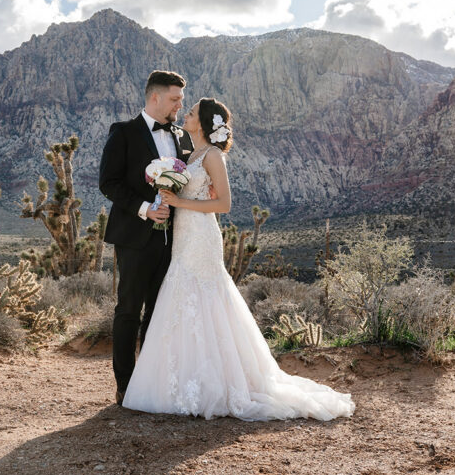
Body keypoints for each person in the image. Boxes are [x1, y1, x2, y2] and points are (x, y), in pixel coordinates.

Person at [122, 97, 355, 421]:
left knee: (206, 297)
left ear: (202, 123)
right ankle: (182, 382)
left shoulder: (214, 156)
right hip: (183, 236)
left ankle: (220, 384)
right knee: (181, 297)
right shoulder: (192, 154)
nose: (184, 115)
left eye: (190, 113)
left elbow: (225, 204)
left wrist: (180, 202)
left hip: (202, 236)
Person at [99, 70, 192, 406]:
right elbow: (108, 183)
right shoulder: (123, 132)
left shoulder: (182, 136)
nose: (180, 105)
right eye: (174, 99)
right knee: (129, 310)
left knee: (159, 311)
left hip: (174, 239)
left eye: (181, 100)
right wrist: (144, 209)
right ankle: (125, 386)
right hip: (135, 237)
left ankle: (152, 382)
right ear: (155, 97)